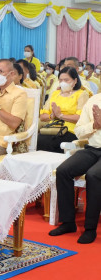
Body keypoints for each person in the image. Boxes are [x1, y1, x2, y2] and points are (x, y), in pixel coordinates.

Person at [49, 93, 101, 244]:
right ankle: (68, 222)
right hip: (92, 149)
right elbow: (78, 131)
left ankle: (90, 229)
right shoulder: (94, 100)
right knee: (63, 171)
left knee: (94, 175)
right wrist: (94, 125)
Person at [38, 67, 89, 153]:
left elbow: (80, 117)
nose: (63, 83)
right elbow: (42, 116)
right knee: (39, 141)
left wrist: (61, 116)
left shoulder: (81, 94)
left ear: (75, 81)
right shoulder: (55, 93)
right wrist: (52, 116)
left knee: (52, 143)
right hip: (52, 128)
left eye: (66, 80)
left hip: (71, 130)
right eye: (60, 80)